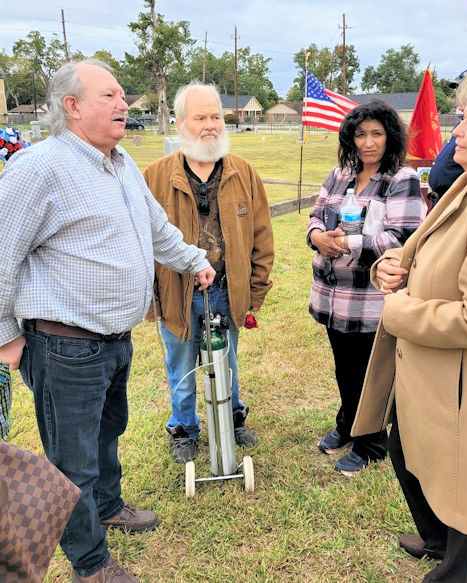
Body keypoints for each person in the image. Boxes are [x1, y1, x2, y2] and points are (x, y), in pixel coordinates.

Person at [0, 59, 215, 583]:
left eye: (123, 95)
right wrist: (5, 337)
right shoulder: (37, 169)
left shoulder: (119, 163)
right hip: (64, 346)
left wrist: (193, 259)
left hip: (114, 342)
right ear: (72, 107)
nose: (125, 104)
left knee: (107, 434)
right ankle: (91, 565)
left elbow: (156, 228)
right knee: (72, 465)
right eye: (110, 96)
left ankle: (111, 507)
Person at [368, 69, 467, 582]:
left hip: (465, 378)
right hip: (431, 368)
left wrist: (399, 311)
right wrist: (392, 264)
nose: (455, 132)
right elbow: (424, 245)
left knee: (466, 482)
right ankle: (435, 538)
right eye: (458, 119)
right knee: (405, 446)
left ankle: (455, 572)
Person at [144, 82, 274, 464]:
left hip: (226, 291)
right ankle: (184, 428)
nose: (210, 125)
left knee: (228, 359)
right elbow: (143, 242)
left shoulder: (244, 173)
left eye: (216, 116)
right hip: (177, 292)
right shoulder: (154, 176)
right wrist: (152, 300)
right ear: (181, 122)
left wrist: (253, 294)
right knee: (180, 363)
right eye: (200, 117)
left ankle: (232, 419)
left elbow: (263, 238)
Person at [307, 100, 427, 476]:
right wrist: (317, 236)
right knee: (344, 367)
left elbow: (399, 238)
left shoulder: (400, 179)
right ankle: (347, 423)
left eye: (376, 133)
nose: (368, 142)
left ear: (389, 137)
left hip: (369, 300)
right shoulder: (339, 174)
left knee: (369, 372)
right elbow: (315, 214)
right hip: (332, 295)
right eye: (361, 134)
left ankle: (370, 442)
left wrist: (343, 244)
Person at [428, 66, 467, 208]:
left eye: (465, 89)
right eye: (458, 90)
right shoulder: (459, 125)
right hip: (442, 200)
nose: (459, 95)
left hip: (460, 203)